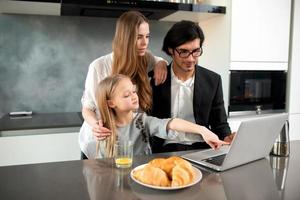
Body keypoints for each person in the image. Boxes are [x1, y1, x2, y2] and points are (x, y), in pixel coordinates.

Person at [79, 11, 168, 159]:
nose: (144, 42)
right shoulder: (99, 66)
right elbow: (87, 108)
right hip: (100, 144)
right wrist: (96, 125)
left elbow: (160, 60)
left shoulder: (145, 58)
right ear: (125, 38)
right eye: (138, 37)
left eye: (147, 36)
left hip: (130, 144)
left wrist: (161, 63)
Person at [150, 20, 235, 153]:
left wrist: (227, 137)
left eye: (196, 51)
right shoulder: (155, 80)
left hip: (202, 148)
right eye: (183, 52)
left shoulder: (213, 80)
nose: (191, 59)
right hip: (164, 149)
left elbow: (220, 123)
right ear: (171, 50)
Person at [94, 74, 227, 158]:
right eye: (126, 95)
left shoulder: (142, 121)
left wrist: (202, 130)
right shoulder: (103, 129)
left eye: (134, 92)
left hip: (142, 178)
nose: (134, 96)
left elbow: (172, 123)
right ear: (111, 103)